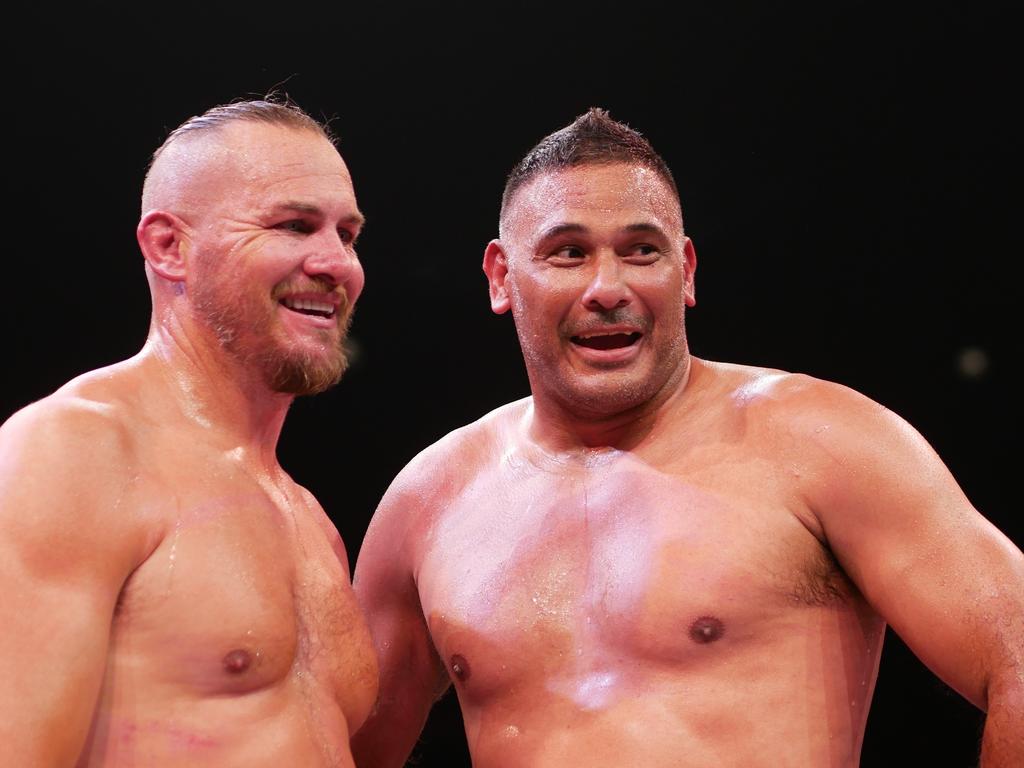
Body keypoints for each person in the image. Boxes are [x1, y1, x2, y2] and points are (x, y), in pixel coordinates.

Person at [351, 108, 1024, 767]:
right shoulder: (430, 500)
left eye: (641, 251)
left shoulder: (821, 442)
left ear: (688, 269)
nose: (607, 287)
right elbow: (341, 751)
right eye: (568, 253)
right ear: (502, 277)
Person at [0, 98, 377, 766]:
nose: (336, 264)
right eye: (294, 225)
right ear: (170, 247)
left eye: (347, 235)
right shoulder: (74, 452)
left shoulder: (310, 522)